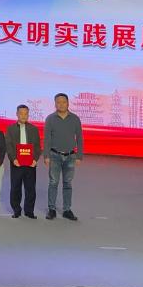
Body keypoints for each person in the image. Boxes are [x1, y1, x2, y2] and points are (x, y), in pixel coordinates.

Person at [44, 92, 84, 221]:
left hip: (70, 156)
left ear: (68, 103)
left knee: (67, 183)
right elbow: (47, 139)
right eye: (58, 102)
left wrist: (79, 156)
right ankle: (51, 209)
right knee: (53, 182)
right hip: (54, 155)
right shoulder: (50, 118)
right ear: (55, 104)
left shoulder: (75, 119)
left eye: (63, 102)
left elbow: (80, 138)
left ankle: (67, 210)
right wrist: (46, 156)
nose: (61, 104)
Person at [6, 104, 41, 219]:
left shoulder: (34, 129)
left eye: (26, 114)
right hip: (16, 163)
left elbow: (37, 147)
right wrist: (13, 159)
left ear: (28, 115)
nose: (23, 116)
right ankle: (16, 210)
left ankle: (29, 211)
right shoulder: (10, 129)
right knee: (15, 187)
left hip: (30, 164)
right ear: (17, 114)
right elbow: (9, 146)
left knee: (30, 188)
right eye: (21, 113)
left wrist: (35, 159)